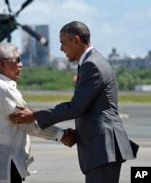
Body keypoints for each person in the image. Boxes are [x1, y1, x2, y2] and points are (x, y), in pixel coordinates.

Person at [9, 21, 139, 183]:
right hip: (100, 147)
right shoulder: (91, 62)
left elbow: (76, 107)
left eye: (63, 43)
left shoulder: (92, 65)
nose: (61, 49)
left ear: (76, 40)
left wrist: (34, 115)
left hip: (103, 147)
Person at [0, 42, 76, 183]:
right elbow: (29, 124)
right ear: (3, 64)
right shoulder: (5, 90)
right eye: (17, 60)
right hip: (7, 167)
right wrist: (61, 135)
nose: (21, 64)